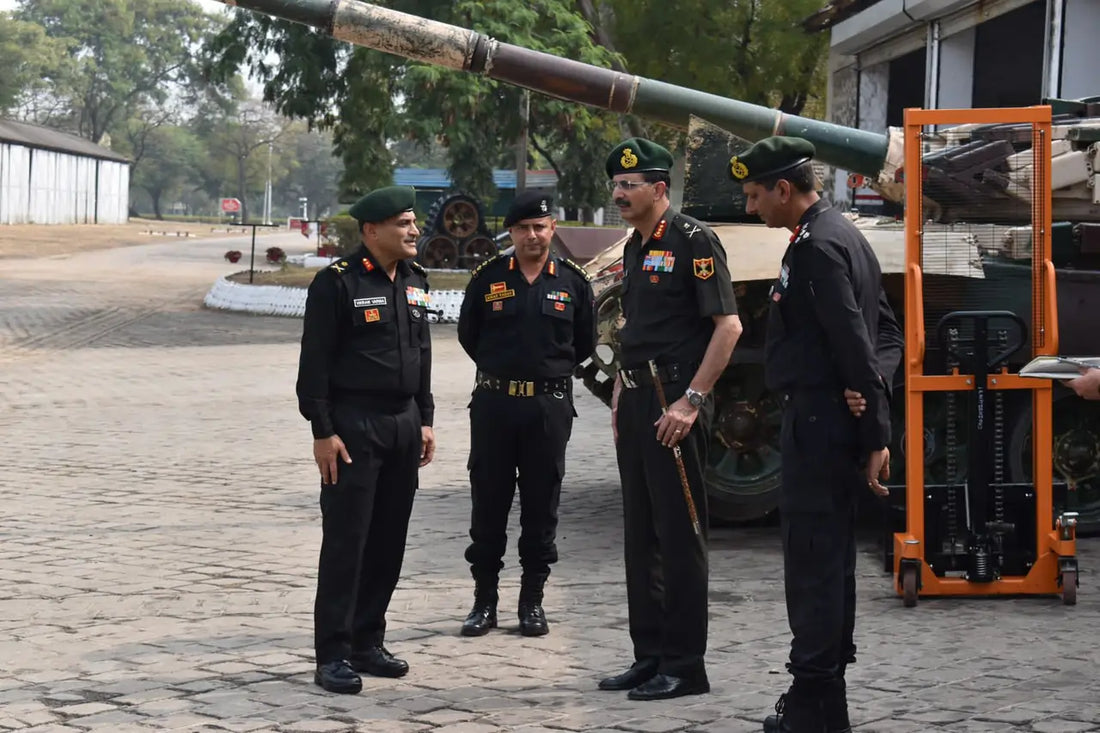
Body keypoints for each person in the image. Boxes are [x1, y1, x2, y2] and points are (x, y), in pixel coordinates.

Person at [731, 136, 901, 733]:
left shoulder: (817, 248)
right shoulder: (844, 235)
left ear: (783, 189)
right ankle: (824, 701)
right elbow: (885, 339)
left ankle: (812, 701)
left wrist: (872, 421)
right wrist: (867, 389)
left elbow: (861, 337)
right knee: (829, 562)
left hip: (816, 423)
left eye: (755, 196)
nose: (752, 209)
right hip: (831, 414)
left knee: (812, 562)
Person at [598, 138, 743, 701]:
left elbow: (727, 327)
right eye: (616, 185)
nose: (619, 194)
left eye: (630, 186)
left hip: (672, 403)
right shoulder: (636, 245)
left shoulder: (694, 241)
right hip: (636, 399)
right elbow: (637, 328)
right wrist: (618, 392)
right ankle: (649, 655)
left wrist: (692, 401)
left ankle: (686, 666)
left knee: (680, 536)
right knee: (641, 535)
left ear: (660, 188)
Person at [296, 186, 436, 695]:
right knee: (346, 543)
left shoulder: (416, 280)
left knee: (388, 541)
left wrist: (425, 418)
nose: (414, 230)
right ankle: (331, 653)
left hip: (402, 424)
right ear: (372, 231)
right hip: (353, 426)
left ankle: (366, 641)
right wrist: (322, 431)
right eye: (403, 223)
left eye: (414, 221)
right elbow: (314, 365)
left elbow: (422, 354)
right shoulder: (336, 283)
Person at [456, 191, 596, 638]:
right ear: (511, 233)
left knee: (542, 506)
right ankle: (484, 602)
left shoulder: (573, 281)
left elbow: (585, 343)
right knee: (488, 504)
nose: (532, 235)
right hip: (495, 405)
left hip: (548, 407)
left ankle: (532, 602)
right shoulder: (488, 277)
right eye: (523, 229)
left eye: (540, 227)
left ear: (552, 228)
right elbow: (469, 336)